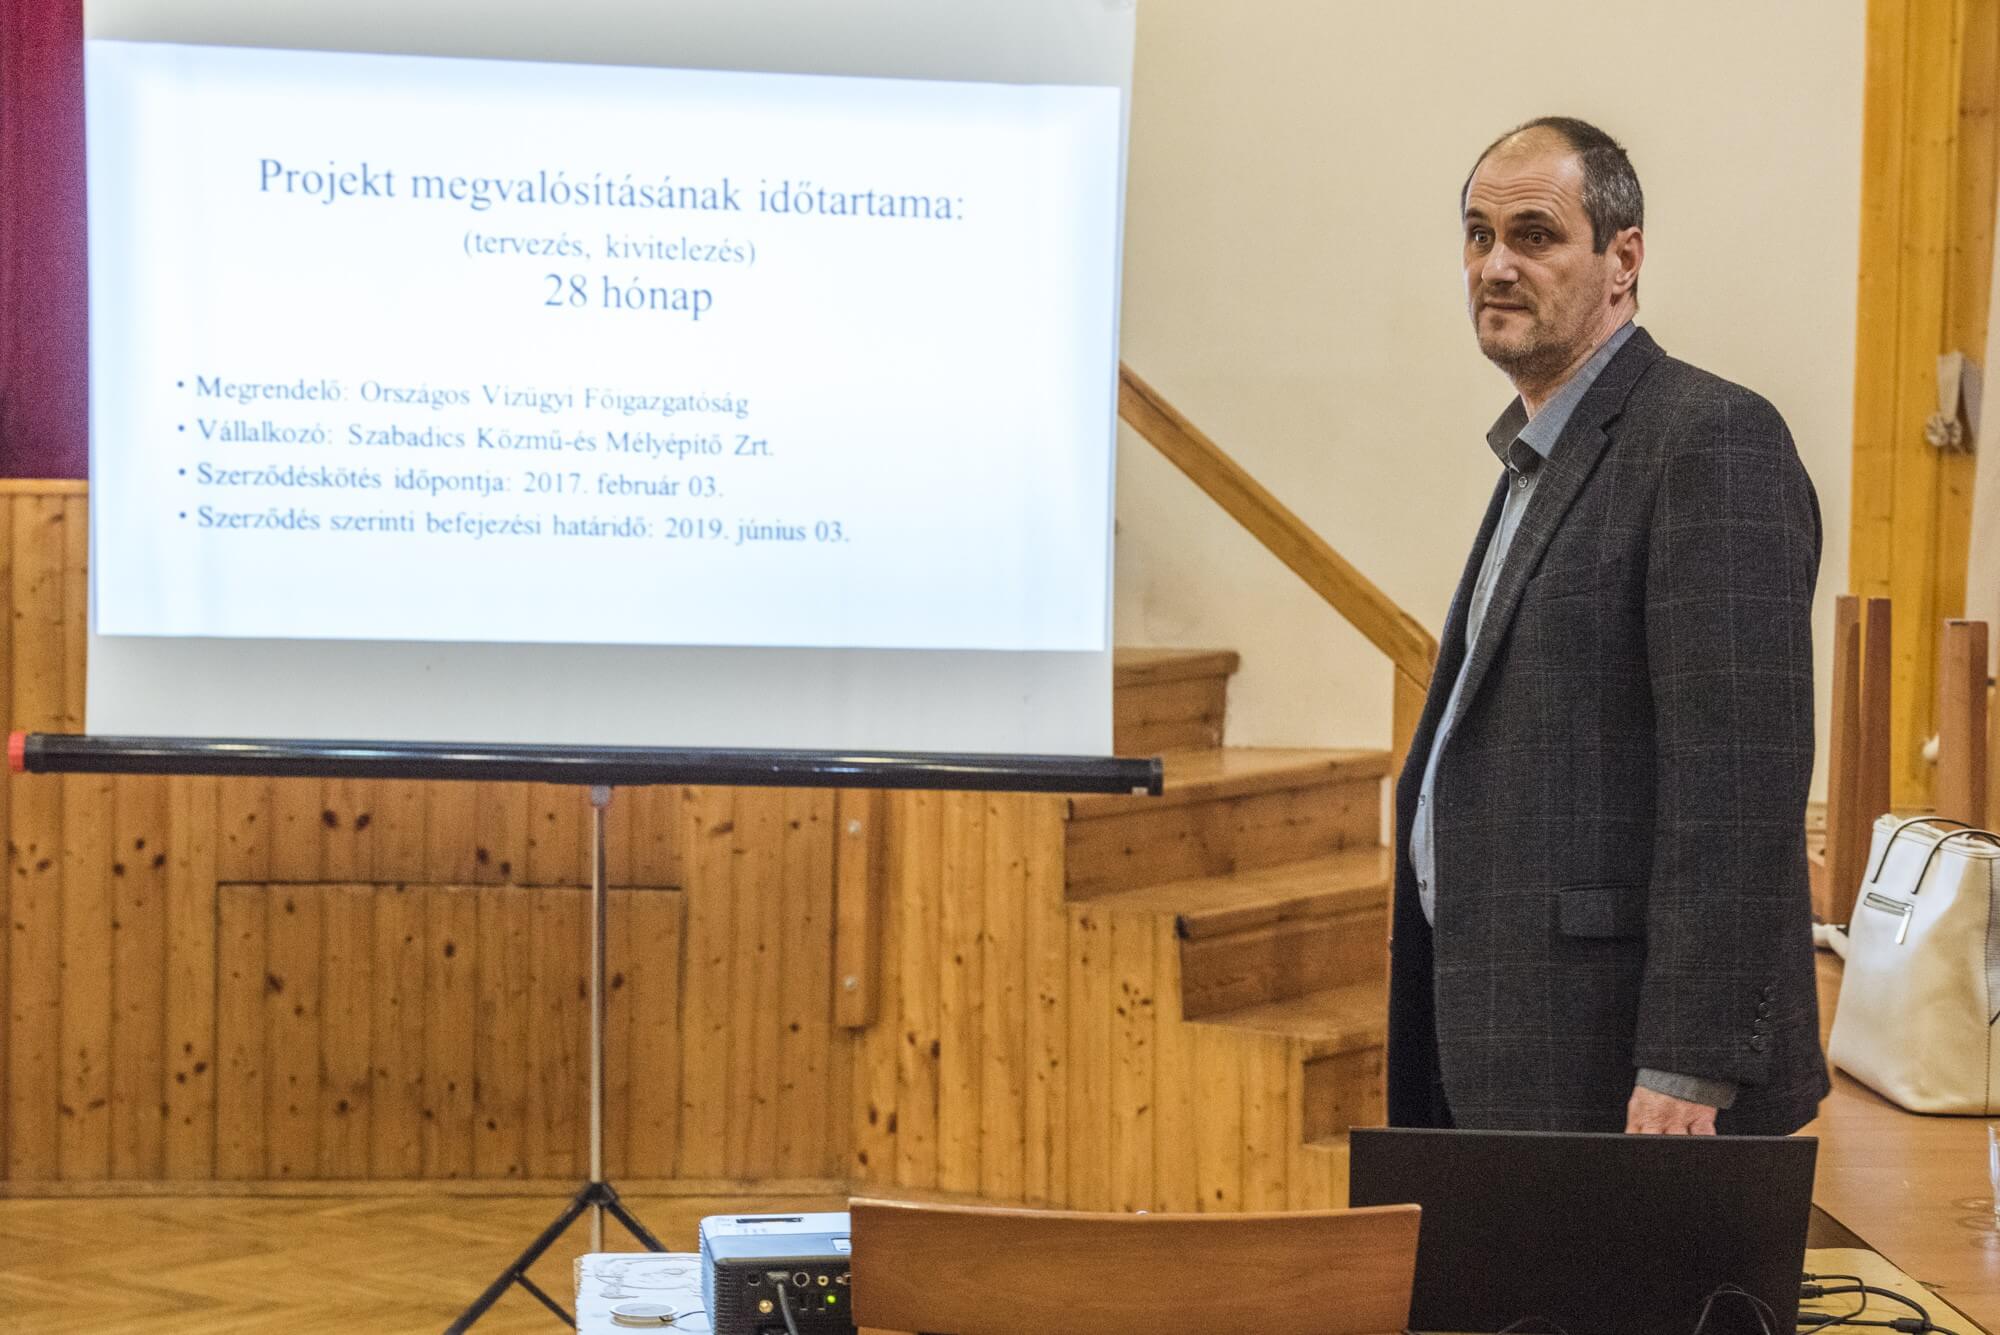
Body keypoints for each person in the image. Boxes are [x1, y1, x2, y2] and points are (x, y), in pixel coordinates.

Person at [1387, 116, 1828, 1136]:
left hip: (1623, 1065)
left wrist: (1689, 1061)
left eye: (1534, 235)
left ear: (1622, 259)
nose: (1495, 265)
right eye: (1478, 235)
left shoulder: (1709, 439)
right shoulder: (1540, 456)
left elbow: (1736, 783)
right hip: (1501, 1025)